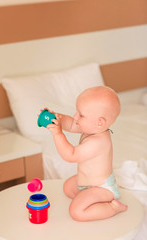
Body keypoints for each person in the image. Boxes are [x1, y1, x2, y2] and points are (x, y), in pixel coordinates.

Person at [45, 86, 128, 221]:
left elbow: (71, 155)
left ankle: (113, 207)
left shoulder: (97, 142)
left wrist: (58, 134)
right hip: (87, 184)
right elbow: (71, 124)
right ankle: (89, 198)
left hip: (102, 188)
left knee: (76, 212)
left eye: (81, 115)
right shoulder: (92, 127)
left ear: (99, 122)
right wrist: (57, 119)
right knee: (67, 187)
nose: (75, 116)